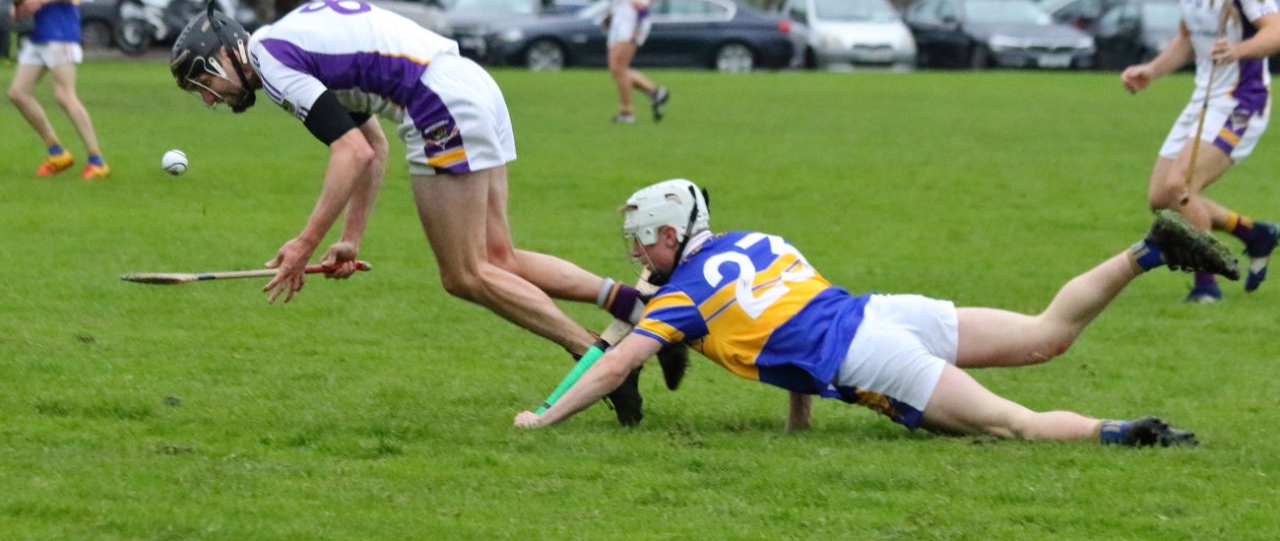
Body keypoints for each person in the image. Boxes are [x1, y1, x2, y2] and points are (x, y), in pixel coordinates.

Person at [168, 0, 660, 425]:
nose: (210, 98)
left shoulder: (270, 62)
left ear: (227, 52)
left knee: (464, 275)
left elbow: (351, 154)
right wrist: (350, 238)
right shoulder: (289, 42)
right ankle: (629, 306)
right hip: (471, 85)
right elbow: (372, 147)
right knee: (497, 257)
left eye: (204, 82)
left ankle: (598, 362)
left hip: (437, 102)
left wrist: (303, 245)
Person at [514, 178, 1237, 446]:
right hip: (888, 311)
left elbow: (616, 365)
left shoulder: (679, 297)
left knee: (1010, 425)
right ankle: (1145, 251)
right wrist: (798, 420)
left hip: (870, 355)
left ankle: (1126, 434)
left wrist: (544, 417)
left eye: (642, 243)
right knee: (1047, 332)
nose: (638, 255)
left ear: (671, 235)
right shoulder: (754, 239)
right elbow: (783, 321)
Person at [1121, 0, 1280, 304]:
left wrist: (1239, 50)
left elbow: (1275, 32)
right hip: (1203, 97)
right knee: (1161, 198)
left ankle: (1206, 286)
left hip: (1243, 99)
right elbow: (1187, 39)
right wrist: (1151, 71)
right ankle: (1255, 233)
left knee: (1180, 184)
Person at [6, 0, 109, 179]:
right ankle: (57, 152)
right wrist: (23, 4)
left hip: (61, 28)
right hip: (40, 29)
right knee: (17, 93)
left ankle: (97, 160)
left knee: (64, 95)